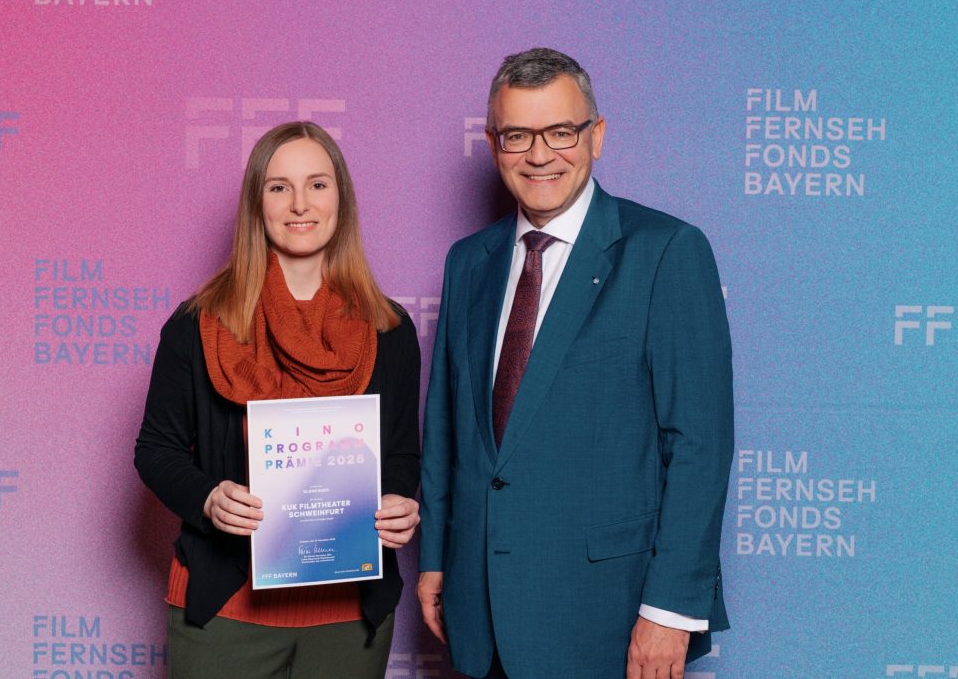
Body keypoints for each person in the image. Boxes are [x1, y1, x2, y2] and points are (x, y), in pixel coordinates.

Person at [417, 48, 734, 679]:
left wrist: (670, 610)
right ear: (493, 143)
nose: (539, 155)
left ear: (597, 136)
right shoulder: (468, 262)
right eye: (517, 135)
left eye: (560, 131)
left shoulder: (666, 252)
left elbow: (700, 444)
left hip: (607, 615)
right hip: (479, 609)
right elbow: (447, 430)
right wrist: (436, 557)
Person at [135, 121, 421, 679]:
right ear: (256, 203)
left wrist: (398, 502)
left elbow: (403, 455)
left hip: (350, 616)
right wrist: (208, 498)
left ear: (341, 198)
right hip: (227, 609)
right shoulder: (197, 324)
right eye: (279, 187)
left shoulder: (389, 329)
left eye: (317, 184)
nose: (299, 204)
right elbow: (156, 449)